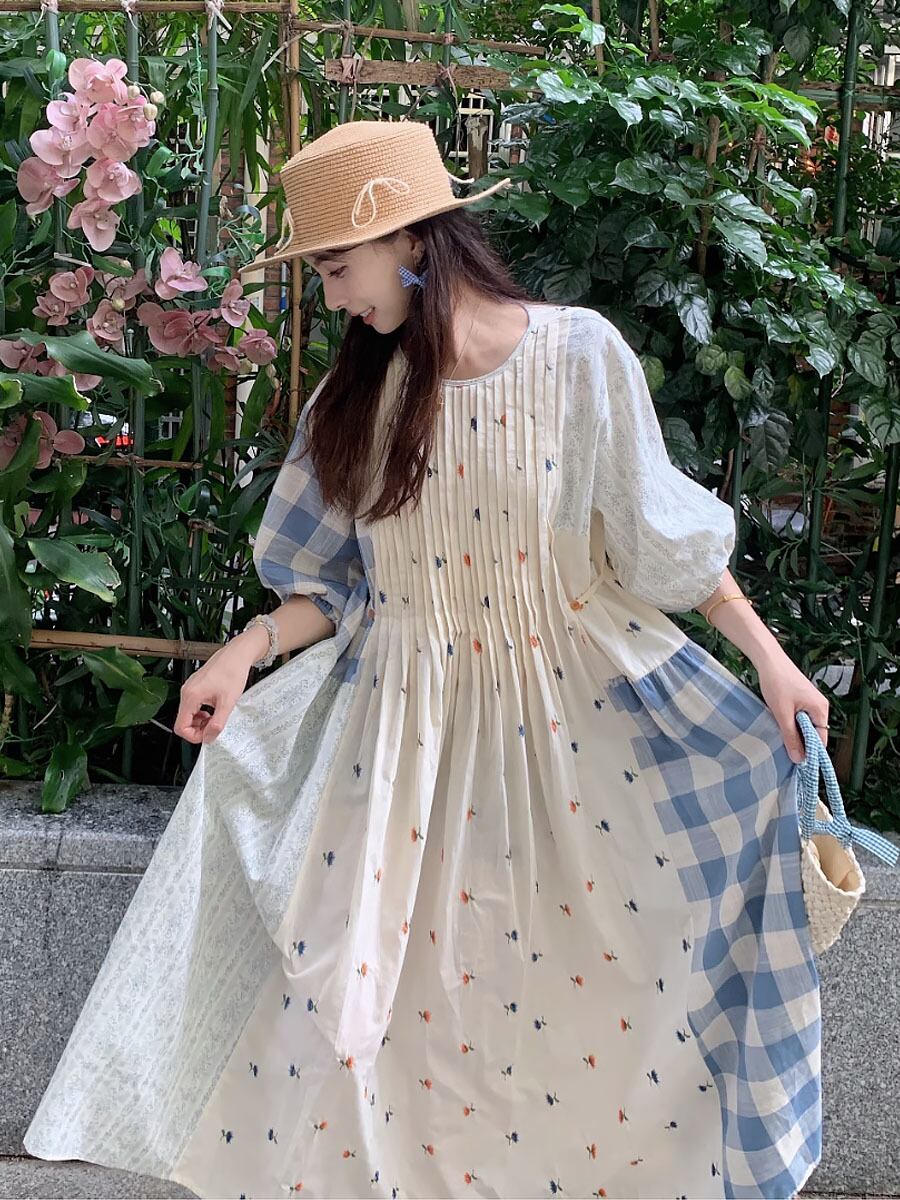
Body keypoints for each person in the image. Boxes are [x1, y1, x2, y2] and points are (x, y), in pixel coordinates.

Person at [23, 119, 828, 1200]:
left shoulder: (580, 356)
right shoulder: (356, 401)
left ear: (408, 236)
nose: (333, 298)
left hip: (574, 741)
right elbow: (327, 588)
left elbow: (659, 541)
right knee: (386, 1031)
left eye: (336, 268)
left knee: (592, 1016)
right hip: (399, 749)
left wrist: (770, 661)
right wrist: (241, 654)